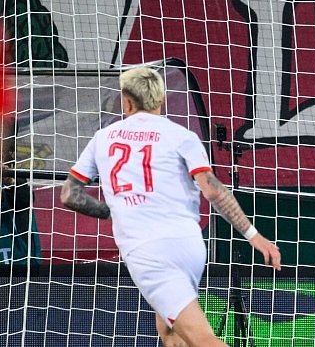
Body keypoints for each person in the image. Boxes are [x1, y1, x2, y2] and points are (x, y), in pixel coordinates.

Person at [60, 67, 281, 347]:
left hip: (149, 250)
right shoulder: (182, 135)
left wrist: (109, 210)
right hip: (188, 244)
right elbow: (213, 190)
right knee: (170, 332)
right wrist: (253, 235)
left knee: (202, 340)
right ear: (161, 100)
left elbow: (69, 194)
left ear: (126, 101)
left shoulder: (103, 137)